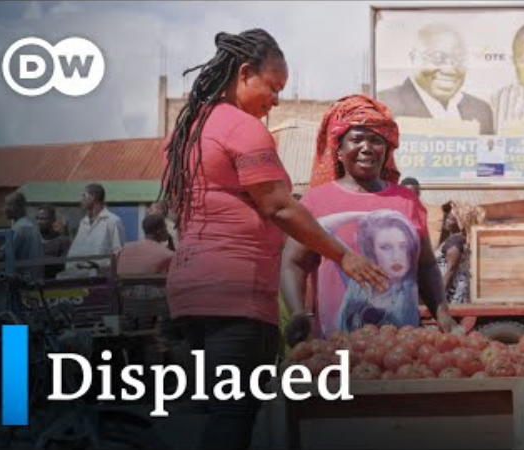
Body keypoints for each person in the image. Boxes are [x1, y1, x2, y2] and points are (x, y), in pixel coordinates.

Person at [159, 30, 387, 450]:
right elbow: (279, 206)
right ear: (245, 74)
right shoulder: (242, 128)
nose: (276, 101)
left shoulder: (188, 129)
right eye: (273, 88)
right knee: (235, 415)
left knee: (222, 408)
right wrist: (343, 256)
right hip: (233, 291)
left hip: (190, 292)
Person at [280, 94, 458, 343]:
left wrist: (444, 316)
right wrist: (298, 313)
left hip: (402, 348)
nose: (367, 147)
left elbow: (426, 265)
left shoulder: (407, 201)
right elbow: (293, 262)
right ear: (339, 150)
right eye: (356, 139)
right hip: (335, 345)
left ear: (386, 151)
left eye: (376, 140)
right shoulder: (316, 201)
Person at [378, 23, 494, 135]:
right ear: (413, 58)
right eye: (437, 58)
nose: (449, 69)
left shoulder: (481, 111)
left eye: (458, 59)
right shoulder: (384, 106)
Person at [0, 192, 43, 280]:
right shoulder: (28, 224)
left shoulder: (20, 228)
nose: (4, 209)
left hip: (24, 283)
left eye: (8, 205)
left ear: (18, 207)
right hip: (33, 279)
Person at [64, 183, 125, 274]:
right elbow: (75, 251)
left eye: (84, 196)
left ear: (93, 197)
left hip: (102, 277)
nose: (81, 200)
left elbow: (118, 253)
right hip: (81, 276)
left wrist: (101, 268)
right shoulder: (83, 222)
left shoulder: (113, 221)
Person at [436, 201, 482, 304]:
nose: (446, 220)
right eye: (446, 217)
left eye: (450, 219)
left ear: (461, 222)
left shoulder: (455, 241)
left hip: (450, 293)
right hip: (455, 289)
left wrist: (437, 298)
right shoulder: (457, 239)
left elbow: (450, 271)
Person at [36, 204, 70, 279]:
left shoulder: (63, 241)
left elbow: (64, 264)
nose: (39, 222)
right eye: (37, 218)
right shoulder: (34, 239)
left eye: (43, 219)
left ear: (53, 220)